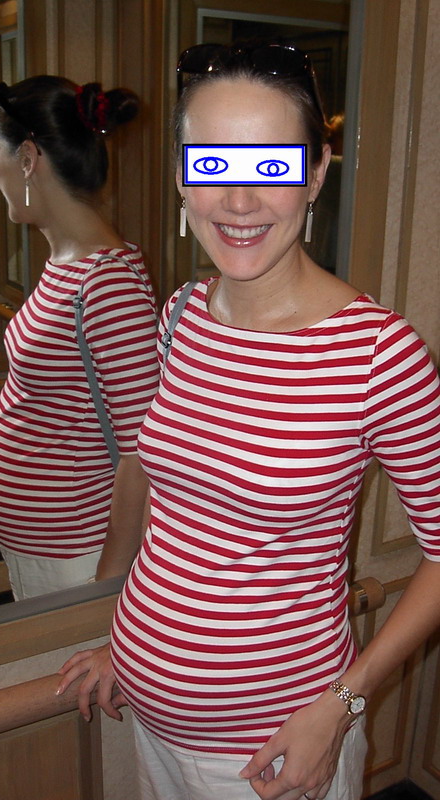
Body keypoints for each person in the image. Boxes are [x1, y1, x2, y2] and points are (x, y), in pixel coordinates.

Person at [57, 42, 440, 800]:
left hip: (273, 748)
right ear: (181, 177)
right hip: (154, 726)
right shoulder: (180, 316)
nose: (238, 201)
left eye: (271, 166)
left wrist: (343, 705)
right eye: (211, 165)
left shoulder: (378, 354)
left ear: (316, 175)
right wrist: (130, 649)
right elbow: (184, 522)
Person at [0, 77, 159, 598]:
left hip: (76, 556)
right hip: (45, 545)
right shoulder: (68, 262)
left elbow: (140, 453)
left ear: (27, 157)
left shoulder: (109, 284)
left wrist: (107, 584)